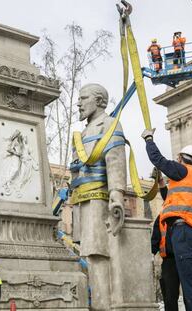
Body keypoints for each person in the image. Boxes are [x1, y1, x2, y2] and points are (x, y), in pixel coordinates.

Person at [70, 83, 126, 310]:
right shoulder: (84, 131)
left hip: (97, 199)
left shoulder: (110, 124)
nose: (79, 103)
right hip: (81, 201)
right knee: (87, 255)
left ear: (100, 101)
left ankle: (104, 305)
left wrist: (117, 193)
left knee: (97, 253)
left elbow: (115, 160)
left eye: (84, 98)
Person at [142, 128, 192, 311]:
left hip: (184, 232)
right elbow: (171, 200)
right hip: (190, 233)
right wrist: (162, 185)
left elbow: (159, 160)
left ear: (181, 158)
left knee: (191, 285)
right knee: (190, 284)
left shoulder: (183, 170)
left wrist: (149, 140)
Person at [151, 169, 181, 311]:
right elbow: (155, 238)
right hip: (169, 260)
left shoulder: (183, 210)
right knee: (170, 296)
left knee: (188, 293)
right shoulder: (161, 217)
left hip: (184, 257)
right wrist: (151, 254)